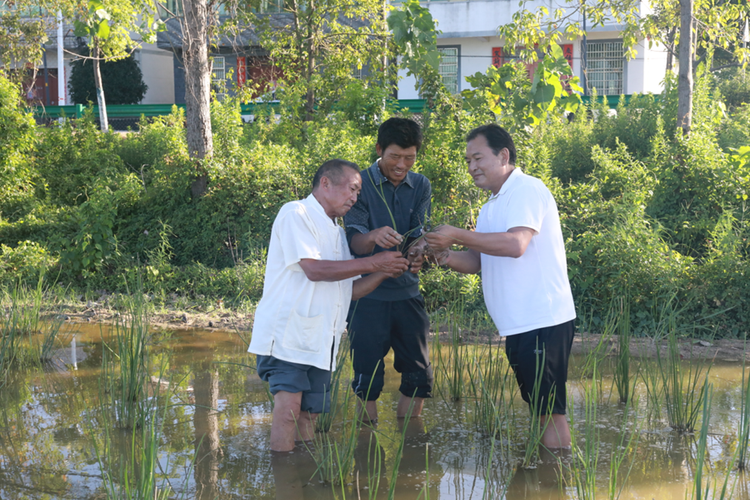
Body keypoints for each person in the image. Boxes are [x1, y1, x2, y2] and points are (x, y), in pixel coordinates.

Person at [424, 124, 576, 448]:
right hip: (519, 326)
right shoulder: (490, 206)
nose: (471, 167)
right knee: (540, 408)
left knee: (551, 412)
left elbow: (516, 244)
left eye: (477, 158)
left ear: (503, 155)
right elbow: (477, 262)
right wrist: (444, 255)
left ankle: (557, 483)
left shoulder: (526, 190)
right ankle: (547, 479)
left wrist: (457, 233)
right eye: (467, 161)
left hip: (543, 321)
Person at [248, 159, 410, 452]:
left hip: (321, 341)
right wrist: (374, 261)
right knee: (288, 413)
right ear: (325, 183)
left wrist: (384, 271)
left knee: (309, 415)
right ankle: (285, 482)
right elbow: (314, 269)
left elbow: (350, 291)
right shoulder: (296, 213)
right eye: (351, 189)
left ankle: (304, 476)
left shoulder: (336, 232)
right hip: (289, 335)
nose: (354, 197)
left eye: (357, 192)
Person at [344, 117, 432, 423]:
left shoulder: (421, 185)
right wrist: (374, 236)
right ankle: (366, 446)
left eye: (409, 158)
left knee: (419, 376)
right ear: (380, 149)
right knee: (366, 378)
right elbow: (354, 241)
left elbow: (420, 231)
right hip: (368, 297)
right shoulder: (358, 184)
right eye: (395, 156)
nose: (401, 165)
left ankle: (409, 443)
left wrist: (420, 251)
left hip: (408, 293)